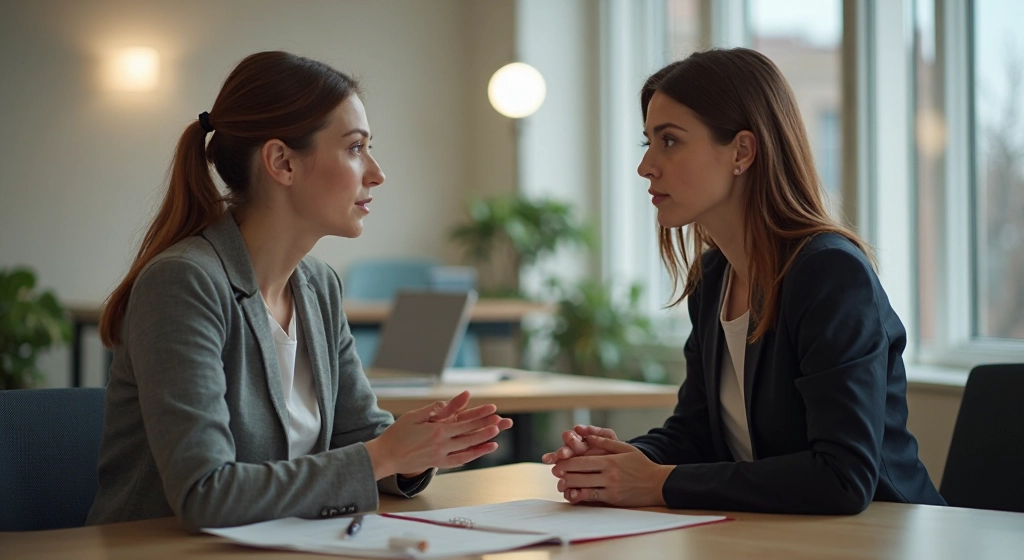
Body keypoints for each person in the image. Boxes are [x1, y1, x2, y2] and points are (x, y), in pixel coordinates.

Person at [87, 51, 512, 531]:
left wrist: (412, 453)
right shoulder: (184, 283)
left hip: (283, 550)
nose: (376, 172)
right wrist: (380, 456)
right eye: (355, 148)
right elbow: (205, 493)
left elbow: (360, 435)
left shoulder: (318, 286)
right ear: (281, 162)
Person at [542, 48, 944, 514]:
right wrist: (622, 463)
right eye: (647, 142)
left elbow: (842, 476)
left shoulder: (830, 274)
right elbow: (697, 433)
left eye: (669, 141)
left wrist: (659, 484)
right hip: (780, 540)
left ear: (742, 151)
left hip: (886, 542)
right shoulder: (713, 278)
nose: (646, 166)